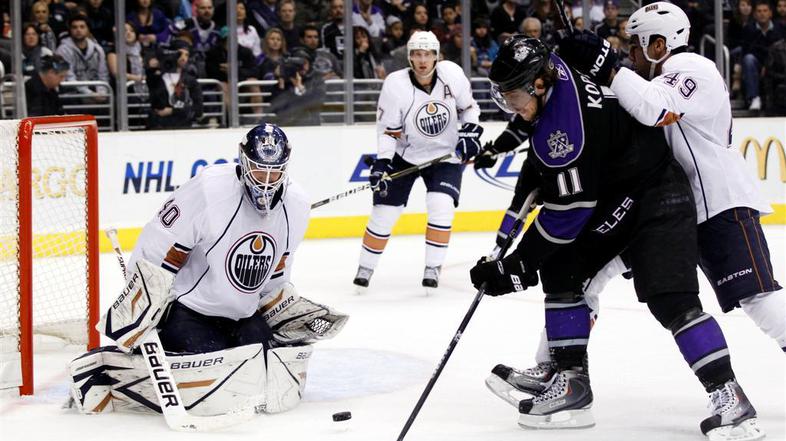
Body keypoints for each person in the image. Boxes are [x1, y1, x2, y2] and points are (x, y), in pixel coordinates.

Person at [470, 35, 764, 440]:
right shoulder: (554, 69)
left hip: (659, 198)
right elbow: (542, 169)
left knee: (670, 299)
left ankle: (730, 397)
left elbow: (568, 213)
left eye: (515, 95)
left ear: (540, 83)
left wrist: (518, 265)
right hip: (620, 194)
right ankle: (570, 381)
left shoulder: (565, 128)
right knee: (563, 269)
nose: (511, 106)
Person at [68, 124, 348, 417]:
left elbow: (278, 271)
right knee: (210, 368)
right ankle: (116, 365)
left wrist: (282, 310)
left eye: (274, 172)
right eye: (258, 170)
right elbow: (158, 243)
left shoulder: (296, 205)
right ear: (243, 161)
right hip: (192, 311)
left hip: (243, 315)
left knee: (267, 368)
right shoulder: (209, 189)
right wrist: (145, 303)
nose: (266, 181)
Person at [352, 31, 481, 291]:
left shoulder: (452, 74)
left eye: (428, 54)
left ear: (436, 56)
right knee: (384, 214)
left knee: (440, 204)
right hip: (405, 155)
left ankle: (432, 267)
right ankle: (365, 267)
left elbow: (470, 108)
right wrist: (382, 162)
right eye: (417, 54)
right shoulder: (395, 84)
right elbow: (389, 130)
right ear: (410, 57)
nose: (422, 60)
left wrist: (470, 133)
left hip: (445, 155)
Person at [145, 40, 203, 129]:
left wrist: (173, 111)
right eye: (180, 54)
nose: (183, 58)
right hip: (158, 127)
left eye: (186, 55)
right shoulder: (156, 76)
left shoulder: (191, 80)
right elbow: (156, 105)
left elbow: (198, 110)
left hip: (183, 126)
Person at [742, 0, 784, 111]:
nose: (762, 13)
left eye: (765, 11)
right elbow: (747, 50)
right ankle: (754, 97)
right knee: (748, 59)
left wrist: (768, 65)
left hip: (775, 64)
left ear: (770, 13)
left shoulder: (780, 28)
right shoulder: (749, 29)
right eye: (759, 11)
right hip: (757, 62)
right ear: (755, 14)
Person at [55, 15, 110, 99]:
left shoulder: (98, 49)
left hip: (95, 91)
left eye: (82, 27)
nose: (78, 30)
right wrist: (90, 94)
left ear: (88, 30)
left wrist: (102, 93)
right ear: (70, 30)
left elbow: (103, 75)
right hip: (72, 93)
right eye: (74, 27)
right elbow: (69, 77)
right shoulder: (62, 50)